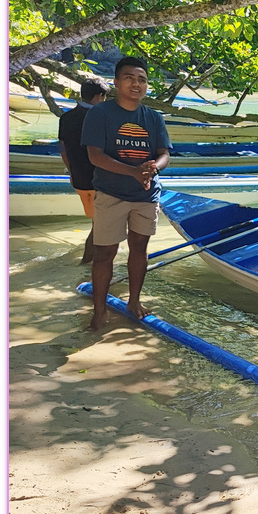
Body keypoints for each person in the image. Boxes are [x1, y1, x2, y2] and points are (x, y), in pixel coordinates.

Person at [82, 56, 172, 330]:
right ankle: (98, 312)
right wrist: (133, 171)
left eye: (142, 79)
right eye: (130, 78)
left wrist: (152, 169)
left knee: (139, 249)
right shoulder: (100, 114)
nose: (136, 83)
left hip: (145, 196)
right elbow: (95, 156)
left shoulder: (153, 117)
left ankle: (134, 300)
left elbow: (164, 153)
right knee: (104, 253)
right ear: (117, 82)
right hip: (110, 193)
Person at [58, 78, 110, 264]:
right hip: (99, 180)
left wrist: (71, 172)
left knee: (96, 224)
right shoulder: (100, 118)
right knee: (100, 228)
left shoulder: (66, 117)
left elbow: (63, 147)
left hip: (78, 180)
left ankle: (89, 262)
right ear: (98, 96)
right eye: (104, 97)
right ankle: (86, 265)